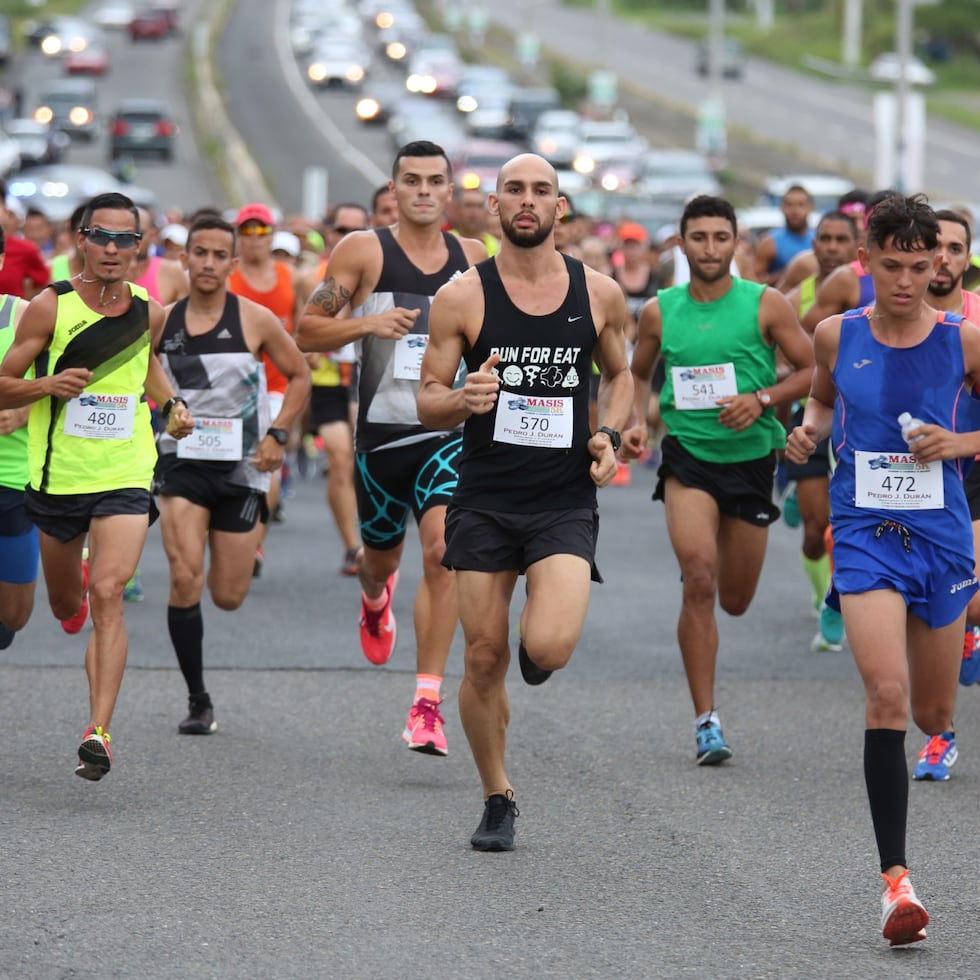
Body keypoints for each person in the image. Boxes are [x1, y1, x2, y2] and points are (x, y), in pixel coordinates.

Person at [417, 152, 632, 851]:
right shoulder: (462, 297)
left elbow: (622, 375)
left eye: (542, 190)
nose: (528, 201)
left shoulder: (598, 292)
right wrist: (461, 399)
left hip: (563, 498)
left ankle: (534, 647)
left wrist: (606, 434)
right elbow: (426, 400)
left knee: (548, 646)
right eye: (515, 189)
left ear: (561, 207)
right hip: (482, 497)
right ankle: (497, 794)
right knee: (482, 657)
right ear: (493, 205)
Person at [785, 194, 980, 947]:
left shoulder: (964, 342)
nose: (903, 281)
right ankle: (896, 883)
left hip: (943, 538)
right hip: (864, 531)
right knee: (886, 693)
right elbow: (822, 409)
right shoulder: (837, 334)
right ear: (864, 263)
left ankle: (959, 649)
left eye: (917, 266)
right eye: (889, 266)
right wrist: (806, 437)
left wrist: (960, 447)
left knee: (933, 714)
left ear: (939, 264)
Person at [296, 141, 486, 758]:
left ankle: (426, 704)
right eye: (412, 181)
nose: (424, 191)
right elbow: (306, 331)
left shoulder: (474, 257)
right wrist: (365, 324)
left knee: (442, 552)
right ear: (396, 189)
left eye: (436, 181)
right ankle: (375, 599)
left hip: (448, 433)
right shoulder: (363, 251)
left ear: (450, 192)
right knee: (380, 560)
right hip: (381, 438)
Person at [0, 191, 194, 780]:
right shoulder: (47, 308)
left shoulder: (150, 310)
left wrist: (174, 403)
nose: (113, 249)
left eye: (125, 239)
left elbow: (148, 366)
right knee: (69, 604)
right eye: (101, 237)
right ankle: (78, 577)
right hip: (57, 478)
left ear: (141, 245)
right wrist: (47, 386)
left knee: (110, 593)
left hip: (126, 474)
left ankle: (98, 731)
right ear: (80, 239)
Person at [622, 194, 814, 764]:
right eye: (698, 238)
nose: (709, 248)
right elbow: (635, 372)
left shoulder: (766, 305)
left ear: (737, 245)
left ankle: (710, 690)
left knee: (734, 600)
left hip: (753, 459)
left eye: (720, 238)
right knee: (699, 578)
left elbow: (811, 371)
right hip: (688, 457)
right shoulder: (661, 309)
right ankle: (706, 720)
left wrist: (762, 399)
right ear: (681, 244)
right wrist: (636, 421)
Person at [155, 215, 310, 734]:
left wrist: (280, 435)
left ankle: (201, 687)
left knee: (228, 594)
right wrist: (161, 410)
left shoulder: (257, 320)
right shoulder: (162, 321)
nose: (208, 263)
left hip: (242, 470)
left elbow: (300, 376)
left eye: (220, 255)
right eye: (200, 252)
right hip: (181, 465)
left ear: (233, 263)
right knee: (184, 577)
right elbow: (136, 373)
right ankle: (198, 699)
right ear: (186, 258)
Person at [910, 208, 980, 780]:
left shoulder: (977, 325)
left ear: (966, 258)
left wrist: (958, 441)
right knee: (919, 613)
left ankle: (969, 627)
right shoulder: (896, 319)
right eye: (935, 248)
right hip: (909, 483)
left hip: (970, 476)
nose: (944, 259)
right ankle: (941, 734)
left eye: (955, 249)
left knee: (968, 602)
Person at [782, 210, 858, 652]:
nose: (831, 247)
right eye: (823, 239)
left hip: (864, 423)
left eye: (839, 240)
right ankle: (823, 592)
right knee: (816, 530)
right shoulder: (797, 297)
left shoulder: (877, 289)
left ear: (856, 249)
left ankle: (843, 594)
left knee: (841, 527)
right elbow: (780, 351)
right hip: (814, 413)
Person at [228, 202, 303, 569]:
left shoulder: (290, 277)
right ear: (238, 237)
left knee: (266, 462)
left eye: (261, 232)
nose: (255, 239)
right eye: (247, 231)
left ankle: (256, 544)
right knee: (232, 466)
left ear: (271, 235)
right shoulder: (227, 276)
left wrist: (308, 356)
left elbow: (305, 323)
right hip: (231, 387)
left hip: (276, 384)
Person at [0, 226, 33, 651]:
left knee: (13, 617)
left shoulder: (24, 315)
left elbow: (61, 387)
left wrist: (21, 412)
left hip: (13, 482)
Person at [754, 184, 814, 284]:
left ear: (811, 208)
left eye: (801, 205)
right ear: (781, 208)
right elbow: (754, 283)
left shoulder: (819, 240)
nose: (795, 211)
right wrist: (789, 274)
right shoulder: (770, 242)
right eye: (789, 205)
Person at [449, 187, 500, 256]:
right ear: (456, 210)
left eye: (479, 206)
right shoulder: (445, 241)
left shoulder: (497, 247)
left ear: (486, 212)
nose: (474, 212)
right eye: (468, 206)